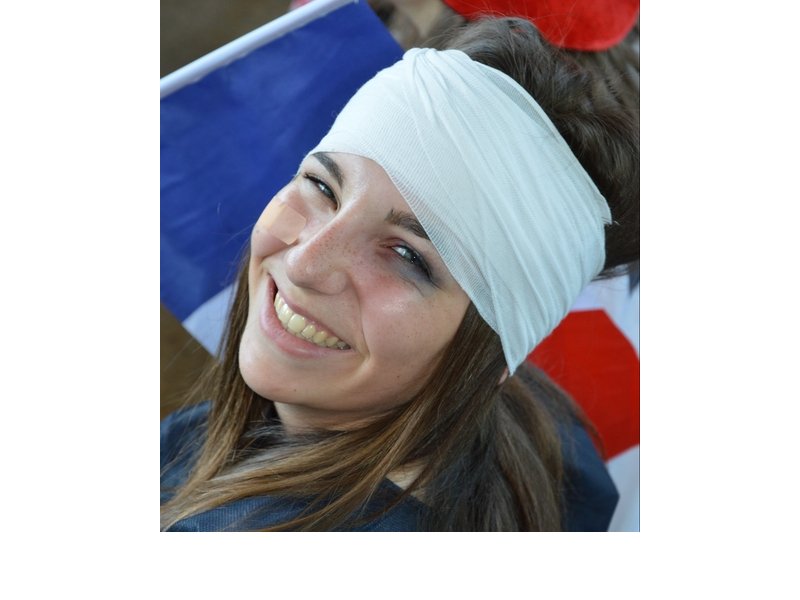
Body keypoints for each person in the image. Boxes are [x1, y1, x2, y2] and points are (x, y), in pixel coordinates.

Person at [160, 16, 639, 531]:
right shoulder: (545, 441)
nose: (305, 264)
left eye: (408, 255)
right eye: (322, 187)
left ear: (493, 354)